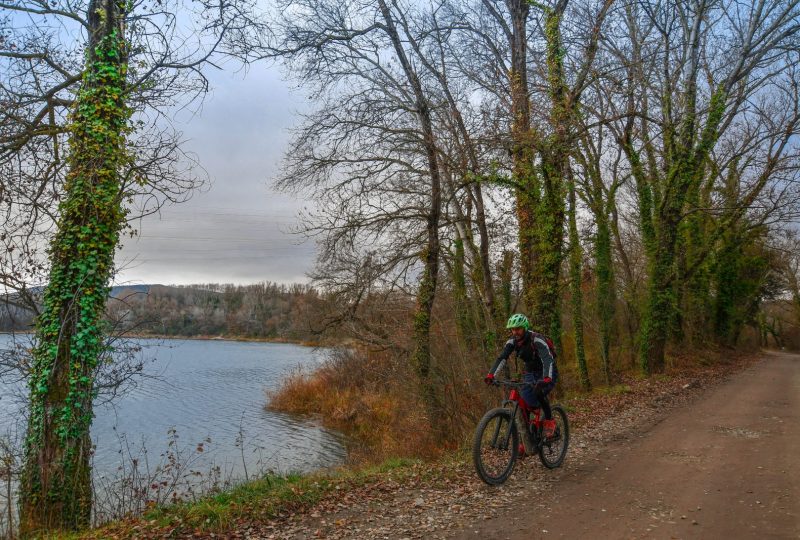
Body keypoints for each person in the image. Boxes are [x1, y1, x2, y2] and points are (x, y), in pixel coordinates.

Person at [484, 313, 559, 441]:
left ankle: (549, 421)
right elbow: (502, 358)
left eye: (518, 328)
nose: (515, 332)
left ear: (524, 327)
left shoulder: (536, 339)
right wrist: (491, 374)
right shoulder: (512, 342)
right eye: (512, 329)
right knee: (524, 404)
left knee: (538, 392)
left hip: (547, 372)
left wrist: (546, 378)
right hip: (530, 373)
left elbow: (548, 359)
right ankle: (526, 440)